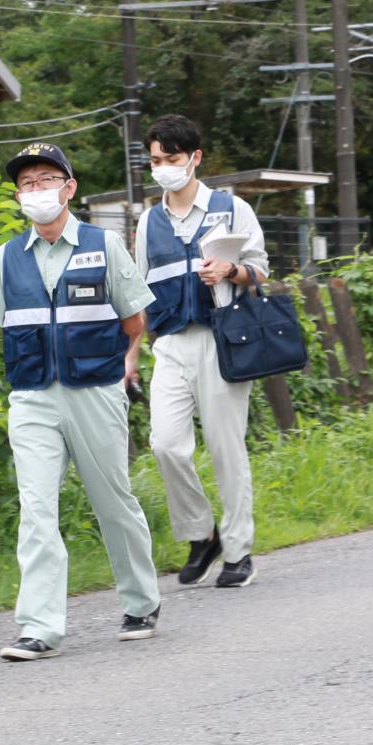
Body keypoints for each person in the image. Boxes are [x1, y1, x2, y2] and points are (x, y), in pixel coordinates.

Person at [0, 141, 162, 661]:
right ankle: (39, 626)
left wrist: (125, 365)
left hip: (95, 391)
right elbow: (4, 325)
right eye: (26, 183)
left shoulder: (104, 246)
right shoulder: (5, 258)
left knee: (112, 500)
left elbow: (134, 320)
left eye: (46, 180)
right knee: (36, 509)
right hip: (33, 396)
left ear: (69, 188)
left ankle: (141, 601)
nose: (36, 190)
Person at [134, 115, 271, 589]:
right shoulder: (148, 220)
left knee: (225, 447)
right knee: (165, 444)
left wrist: (230, 272)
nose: (163, 168)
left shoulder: (231, 208)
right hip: (170, 342)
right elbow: (139, 290)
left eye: (170, 159)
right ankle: (202, 534)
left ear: (195, 158)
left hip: (223, 339)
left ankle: (238, 551)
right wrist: (134, 351)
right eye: (155, 160)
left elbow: (260, 273)